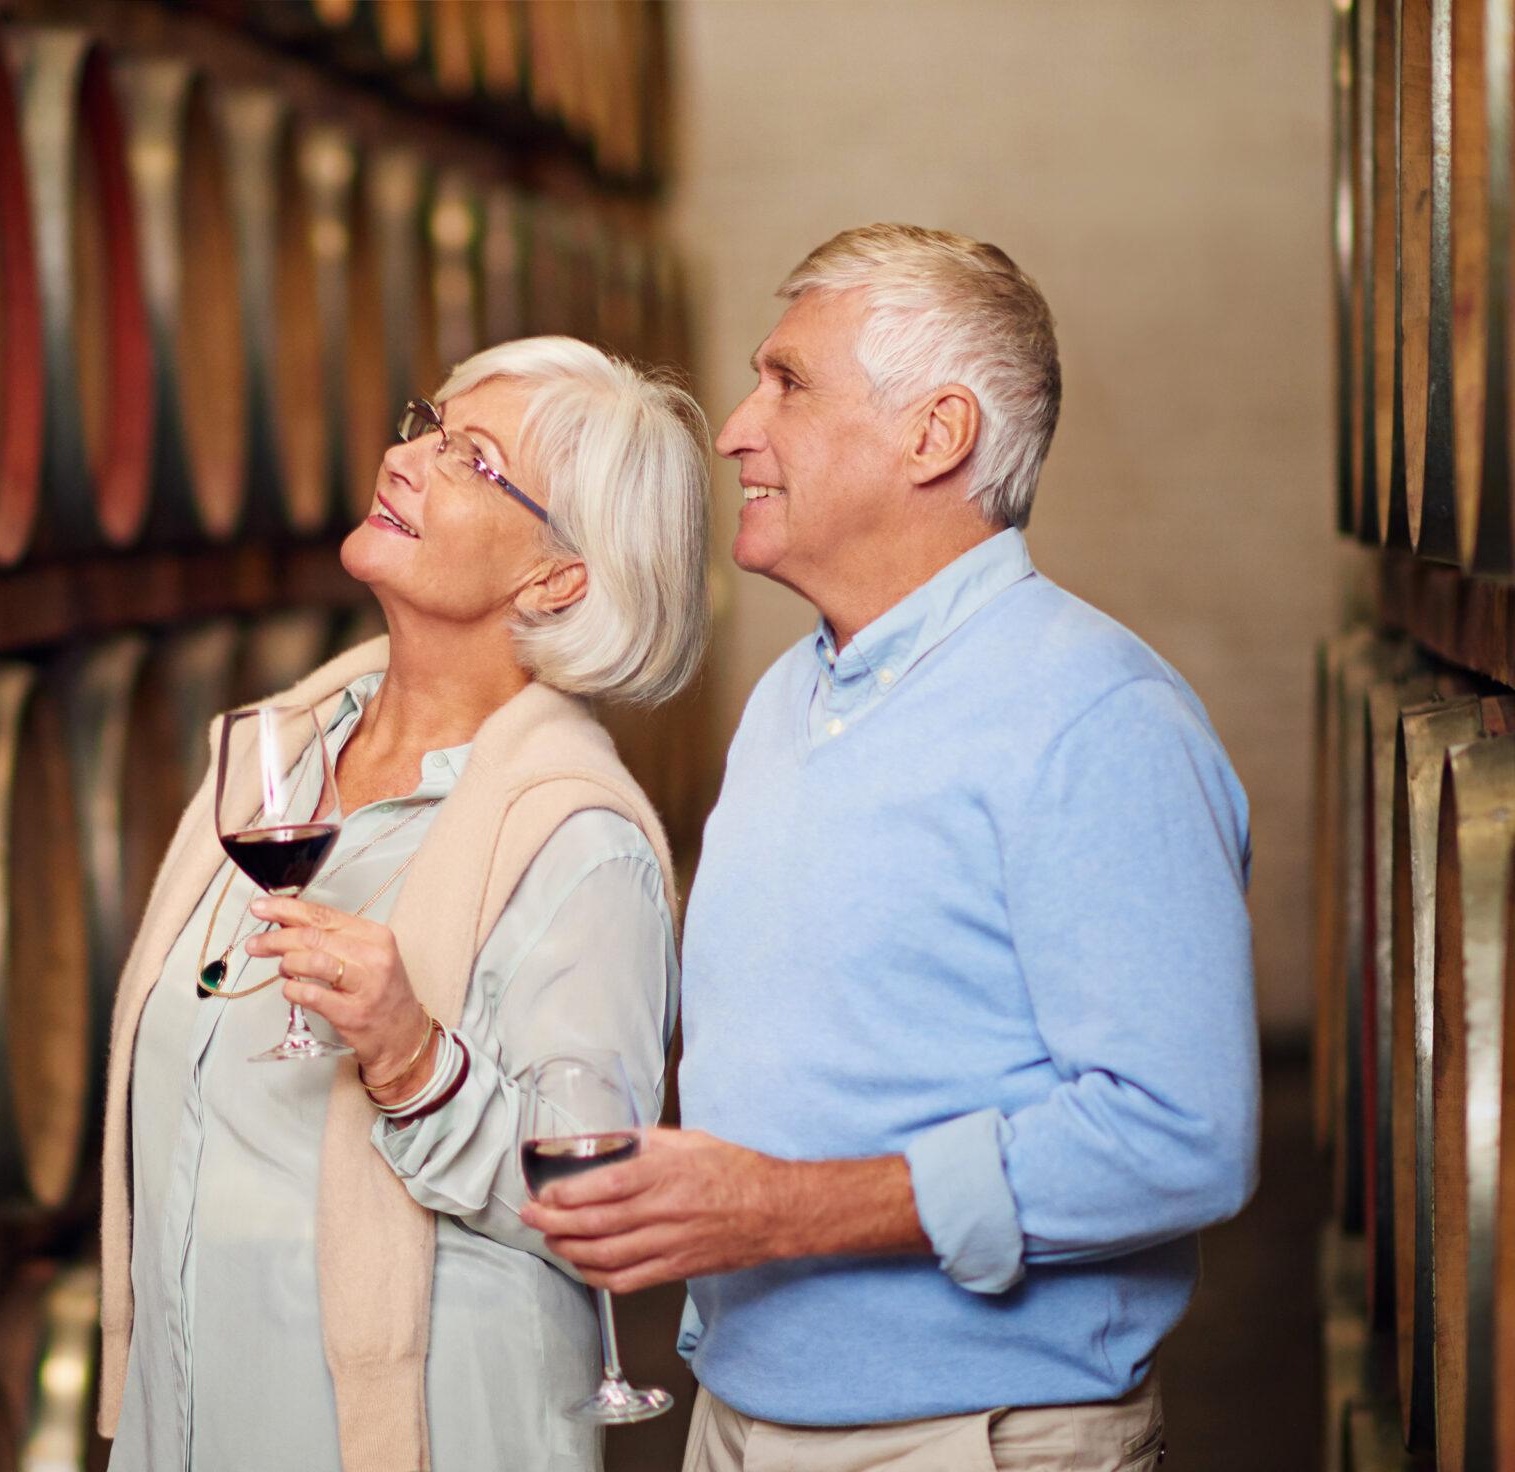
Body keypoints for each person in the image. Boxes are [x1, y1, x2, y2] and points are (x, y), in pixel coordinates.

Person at [523, 224, 1257, 1471]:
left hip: (963, 1440)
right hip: (742, 1417)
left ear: (937, 434)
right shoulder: (788, 698)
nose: (734, 428)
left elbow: (1180, 1135)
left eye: (787, 382)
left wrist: (780, 1209)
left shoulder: (1094, 716)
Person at [95, 336, 710, 1472]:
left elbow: (598, 1204)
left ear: (555, 577)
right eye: (428, 423)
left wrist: (416, 1060)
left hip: (417, 1434)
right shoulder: (281, 759)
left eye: (472, 459)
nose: (404, 457)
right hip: (197, 1422)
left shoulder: (576, 843)